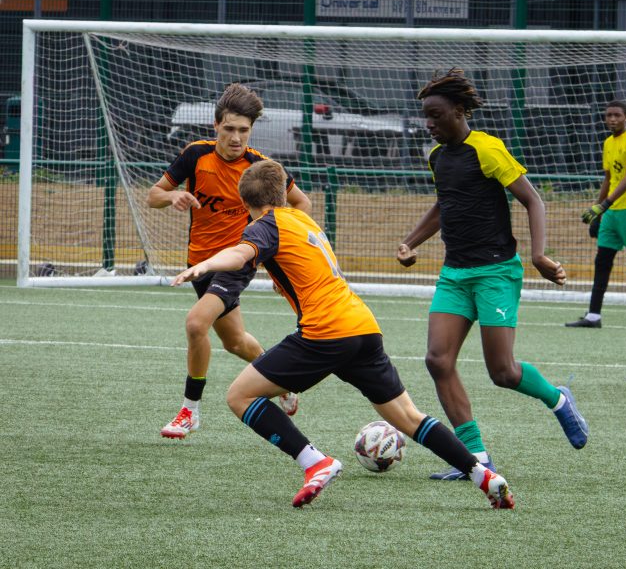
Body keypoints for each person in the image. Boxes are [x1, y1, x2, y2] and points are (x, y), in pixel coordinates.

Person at [171, 159, 515, 509]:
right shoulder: (302, 220)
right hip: (363, 327)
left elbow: (241, 253)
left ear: (245, 203)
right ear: (282, 194)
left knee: (239, 397)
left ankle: (315, 462)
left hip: (326, 331)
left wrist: (206, 264)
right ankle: (483, 475)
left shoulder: (265, 224)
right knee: (409, 417)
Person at [396, 68, 588, 481]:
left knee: (502, 372)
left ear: (460, 111)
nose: (428, 124)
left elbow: (533, 200)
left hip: (496, 271)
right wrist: (411, 242)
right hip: (455, 274)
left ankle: (558, 399)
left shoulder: (487, 149)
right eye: (425, 117)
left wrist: (539, 255)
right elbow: (444, 204)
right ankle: (475, 460)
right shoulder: (436, 157)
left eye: (436, 115)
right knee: (437, 360)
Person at [148, 83, 311, 438]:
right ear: (216, 126)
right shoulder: (195, 155)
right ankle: (281, 381)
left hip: (237, 262)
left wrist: (274, 238)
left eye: (244, 130)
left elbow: (302, 204)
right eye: (230, 129)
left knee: (195, 324)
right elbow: (153, 195)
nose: (236, 137)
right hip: (199, 263)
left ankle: (189, 411)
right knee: (235, 341)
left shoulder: (259, 168)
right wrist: (172, 196)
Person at [566, 101, 626, 328]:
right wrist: (598, 213)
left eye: (617, 115)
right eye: (608, 115)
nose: (612, 119)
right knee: (603, 261)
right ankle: (593, 316)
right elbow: (609, 179)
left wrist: (604, 205)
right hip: (610, 213)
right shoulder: (608, 143)